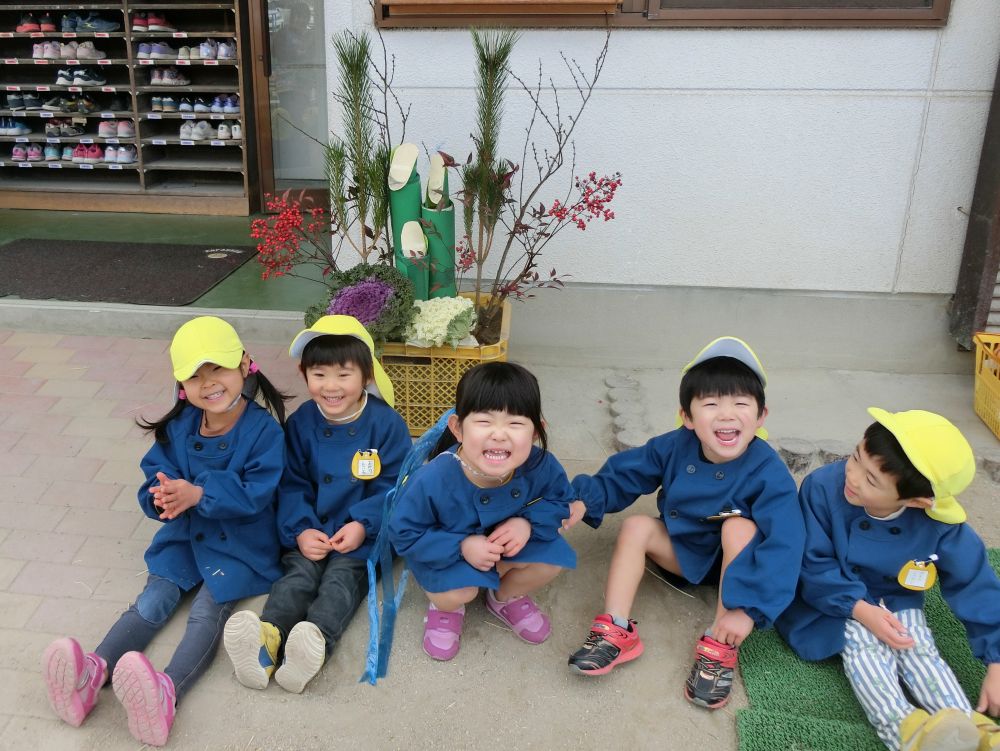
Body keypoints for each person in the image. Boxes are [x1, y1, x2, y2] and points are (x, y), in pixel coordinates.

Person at [41, 316, 288, 747]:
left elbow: (258, 494)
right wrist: (161, 498)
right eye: (194, 376)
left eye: (218, 369)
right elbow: (156, 474)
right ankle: (91, 672)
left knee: (207, 613)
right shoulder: (178, 428)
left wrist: (199, 493)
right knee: (151, 601)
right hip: (186, 538)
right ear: (180, 386)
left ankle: (166, 692)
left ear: (246, 365)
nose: (208, 383)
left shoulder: (264, 431)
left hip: (240, 543)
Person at [566, 336, 804, 710]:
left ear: (760, 417)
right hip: (682, 549)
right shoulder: (673, 445)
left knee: (738, 526)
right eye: (711, 404)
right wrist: (584, 499)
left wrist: (749, 609)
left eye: (741, 403)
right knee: (637, 527)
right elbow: (625, 474)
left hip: (736, 568)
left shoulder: (768, 469)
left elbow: (786, 543)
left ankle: (720, 645)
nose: (726, 414)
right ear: (687, 417)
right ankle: (615, 628)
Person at [775, 408, 1000, 751]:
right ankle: (905, 731)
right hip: (832, 601)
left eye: (872, 480)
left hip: (896, 598)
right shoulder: (822, 487)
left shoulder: (941, 523)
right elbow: (811, 563)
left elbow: (976, 584)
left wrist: (997, 660)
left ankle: (967, 726)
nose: (852, 477)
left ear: (917, 501)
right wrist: (861, 610)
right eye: (855, 457)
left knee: (918, 646)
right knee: (864, 648)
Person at [223, 315, 411, 693]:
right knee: (298, 576)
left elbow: (395, 485)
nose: (331, 387)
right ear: (303, 373)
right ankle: (266, 641)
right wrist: (301, 529)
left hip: (362, 535)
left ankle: (314, 642)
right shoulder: (301, 423)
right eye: (319, 375)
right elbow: (290, 482)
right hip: (313, 526)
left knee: (341, 581)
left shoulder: (386, 425)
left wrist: (363, 524)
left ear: (367, 376)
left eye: (344, 375)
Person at [388, 361, 577, 661]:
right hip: (448, 554)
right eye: (484, 422)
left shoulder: (542, 465)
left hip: (506, 552)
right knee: (459, 593)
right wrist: (460, 545)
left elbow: (559, 501)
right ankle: (445, 608)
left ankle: (504, 597)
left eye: (515, 423)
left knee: (550, 561)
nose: (499, 435)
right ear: (458, 428)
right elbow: (405, 533)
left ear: (537, 431)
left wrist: (527, 524)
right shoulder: (432, 479)